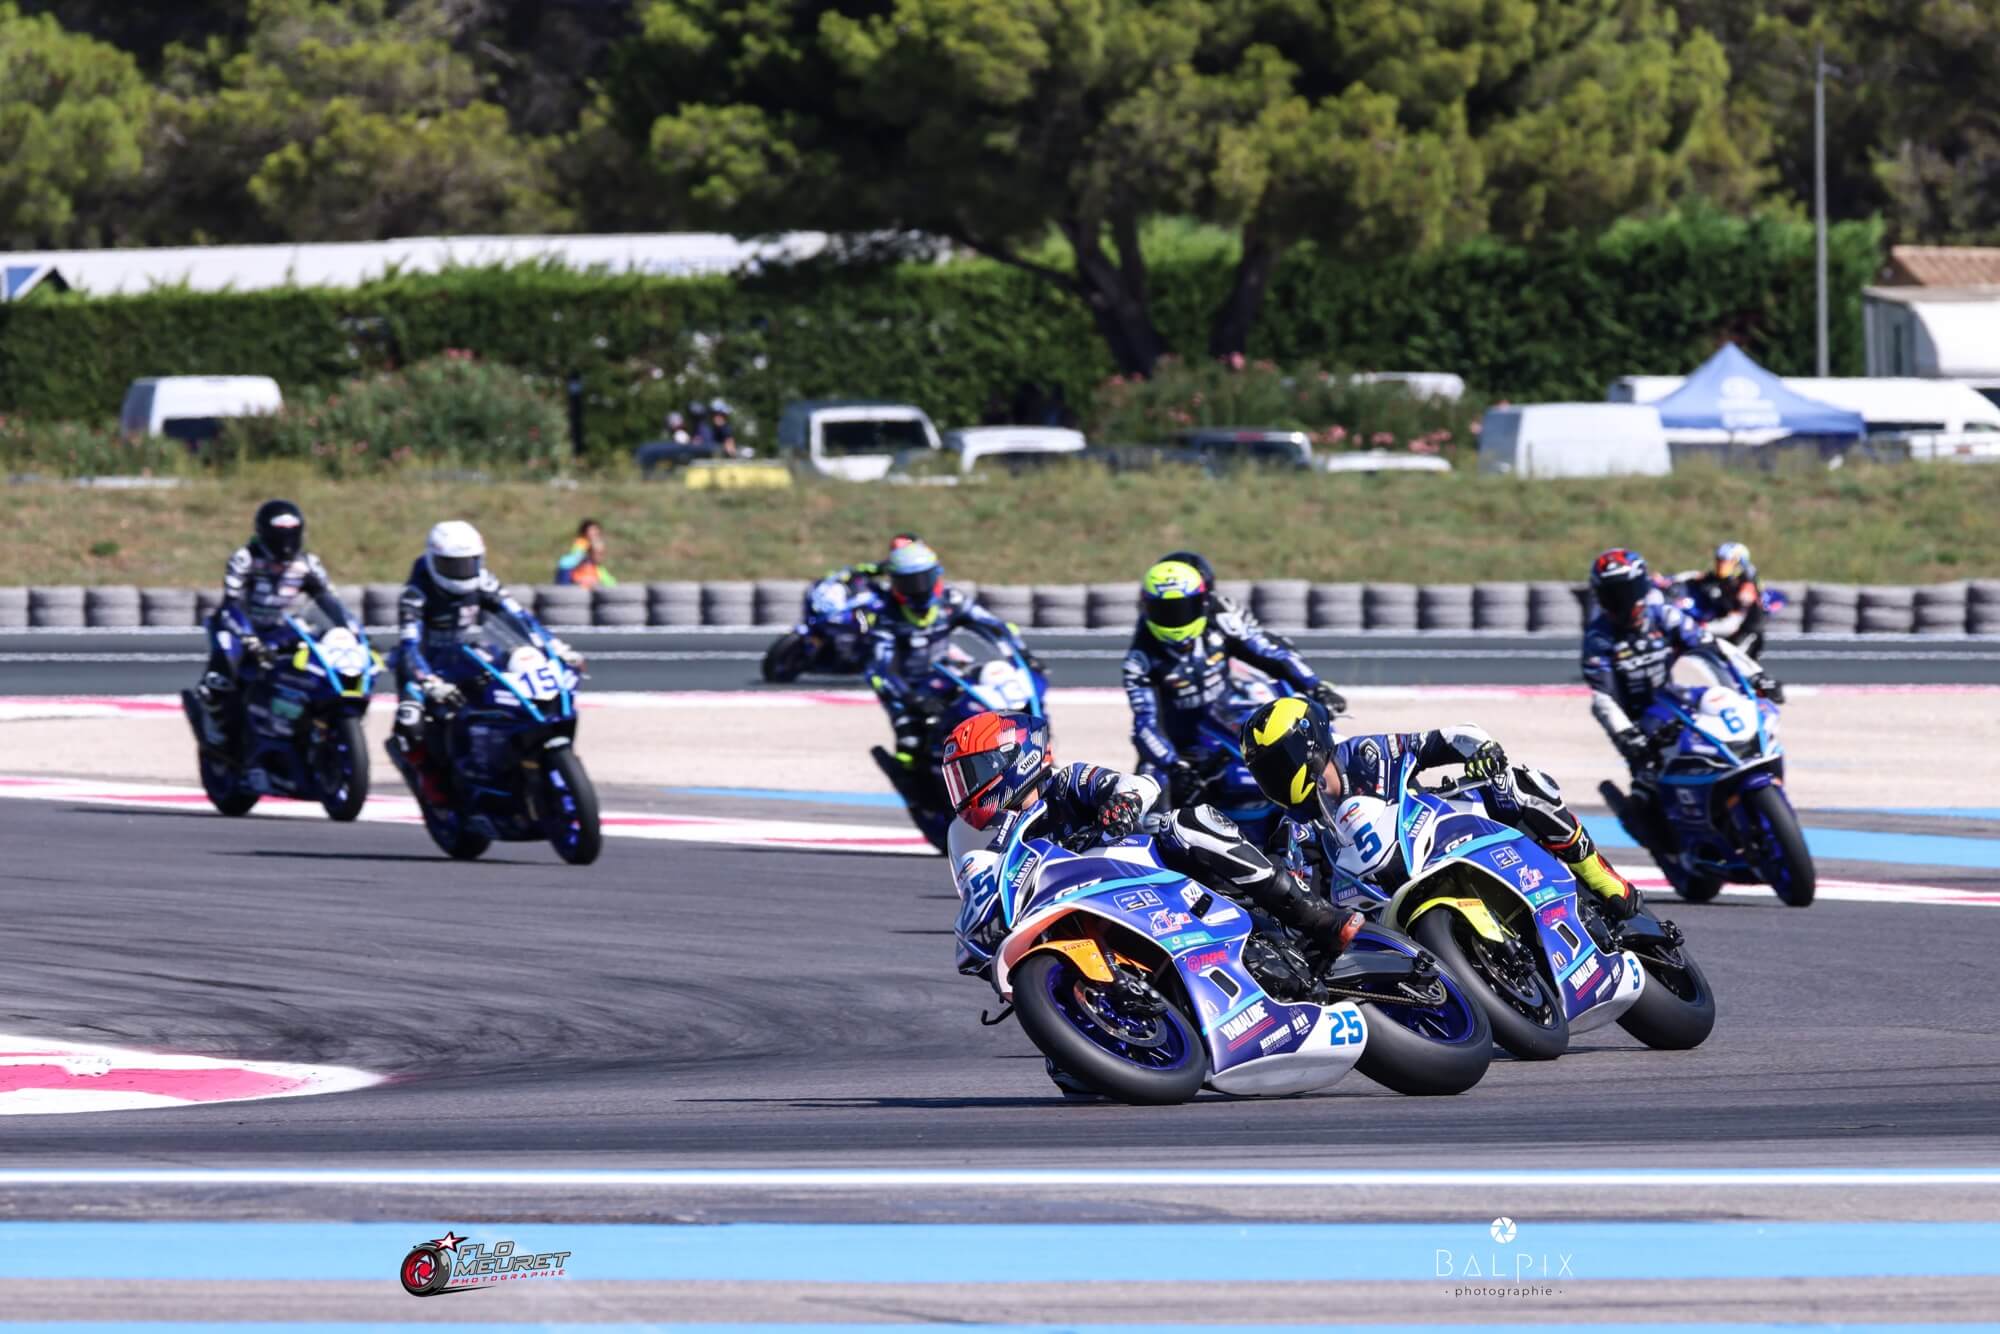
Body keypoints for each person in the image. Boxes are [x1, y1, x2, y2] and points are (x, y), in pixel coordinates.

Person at [941, 711, 1363, 1093]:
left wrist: (1123, 803)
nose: (965, 787)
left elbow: (1140, 784)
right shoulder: (970, 837)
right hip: (1072, 917)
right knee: (1073, 1079)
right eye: (957, 778)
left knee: (1187, 823)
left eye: (972, 771)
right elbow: (978, 889)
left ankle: (1314, 917)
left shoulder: (1067, 782)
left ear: (1016, 759)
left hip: (1146, 875)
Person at [1239, 696, 1641, 920]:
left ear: (1309, 744)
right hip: (1384, 901)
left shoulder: (1366, 752)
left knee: (1516, 784)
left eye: (1279, 764)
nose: (1275, 778)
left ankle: (1599, 875)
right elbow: (1297, 888)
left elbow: (1441, 740)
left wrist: (1481, 751)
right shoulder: (1294, 828)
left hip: (1441, 832)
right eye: (1265, 773)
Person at [1123, 556, 1346, 801]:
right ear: (1146, 609)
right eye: (1164, 611)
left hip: (1225, 723)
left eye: (1183, 608)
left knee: (1287, 749)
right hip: (1179, 747)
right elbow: (1145, 725)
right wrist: (1174, 766)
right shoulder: (1140, 660)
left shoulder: (1221, 619)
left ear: (1202, 602)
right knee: (1152, 788)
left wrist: (1316, 686)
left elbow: (1272, 652)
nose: (1175, 619)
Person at [392, 521, 583, 800]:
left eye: (468, 563)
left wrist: (555, 647)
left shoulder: (484, 581)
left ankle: (512, 757)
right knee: (411, 722)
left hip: (469, 654)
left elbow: (520, 617)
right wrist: (429, 681)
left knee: (515, 688)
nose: (462, 572)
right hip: (428, 665)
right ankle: (433, 787)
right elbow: (409, 646)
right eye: (452, 565)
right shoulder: (415, 594)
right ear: (433, 561)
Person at [1583, 548, 1783, 779]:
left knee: (1718, 706)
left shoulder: (1663, 616)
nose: (1623, 603)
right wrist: (1625, 734)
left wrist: (1756, 676)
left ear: (1642, 587)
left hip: (1673, 700)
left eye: (1627, 592)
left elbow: (1712, 645)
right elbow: (1603, 697)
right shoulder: (1599, 638)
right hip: (1637, 723)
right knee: (1649, 778)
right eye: (1613, 596)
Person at [865, 539, 1041, 768]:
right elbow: (882, 669)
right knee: (910, 743)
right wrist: (912, 699)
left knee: (1004, 689)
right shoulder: (885, 616)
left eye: (923, 579)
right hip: (907, 687)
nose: (918, 589)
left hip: (945, 673)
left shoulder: (951, 599)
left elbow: (994, 626)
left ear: (936, 575)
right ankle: (917, 781)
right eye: (908, 583)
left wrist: (1023, 654)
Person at [196, 499, 353, 746]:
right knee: (225, 662)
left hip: (282, 629)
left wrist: (347, 628)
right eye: (279, 537)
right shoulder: (245, 558)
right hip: (240, 625)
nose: (285, 544)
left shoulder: (308, 563)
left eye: (291, 536)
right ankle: (214, 717)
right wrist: (249, 638)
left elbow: (327, 599)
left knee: (319, 661)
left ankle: (306, 720)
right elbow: (231, 603)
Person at [1675, 541, 1770, 656]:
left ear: (1738, 563)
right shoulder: (1724, 578)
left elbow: (1733, 623)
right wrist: (1670, 580)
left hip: (1745, 633)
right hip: (1724, 629)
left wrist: (1702, 627)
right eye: (1719, 560)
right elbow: (1698, 576)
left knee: (1727, 662)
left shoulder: (1746, 588)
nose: (1721, 565)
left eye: (1726, 561)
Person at [554, 518, 617, 589]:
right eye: (591, 530)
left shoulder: (593, 544)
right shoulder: (581, 543)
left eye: (596, 530)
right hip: (569, 568)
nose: (594, 532)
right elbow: (576, 557)